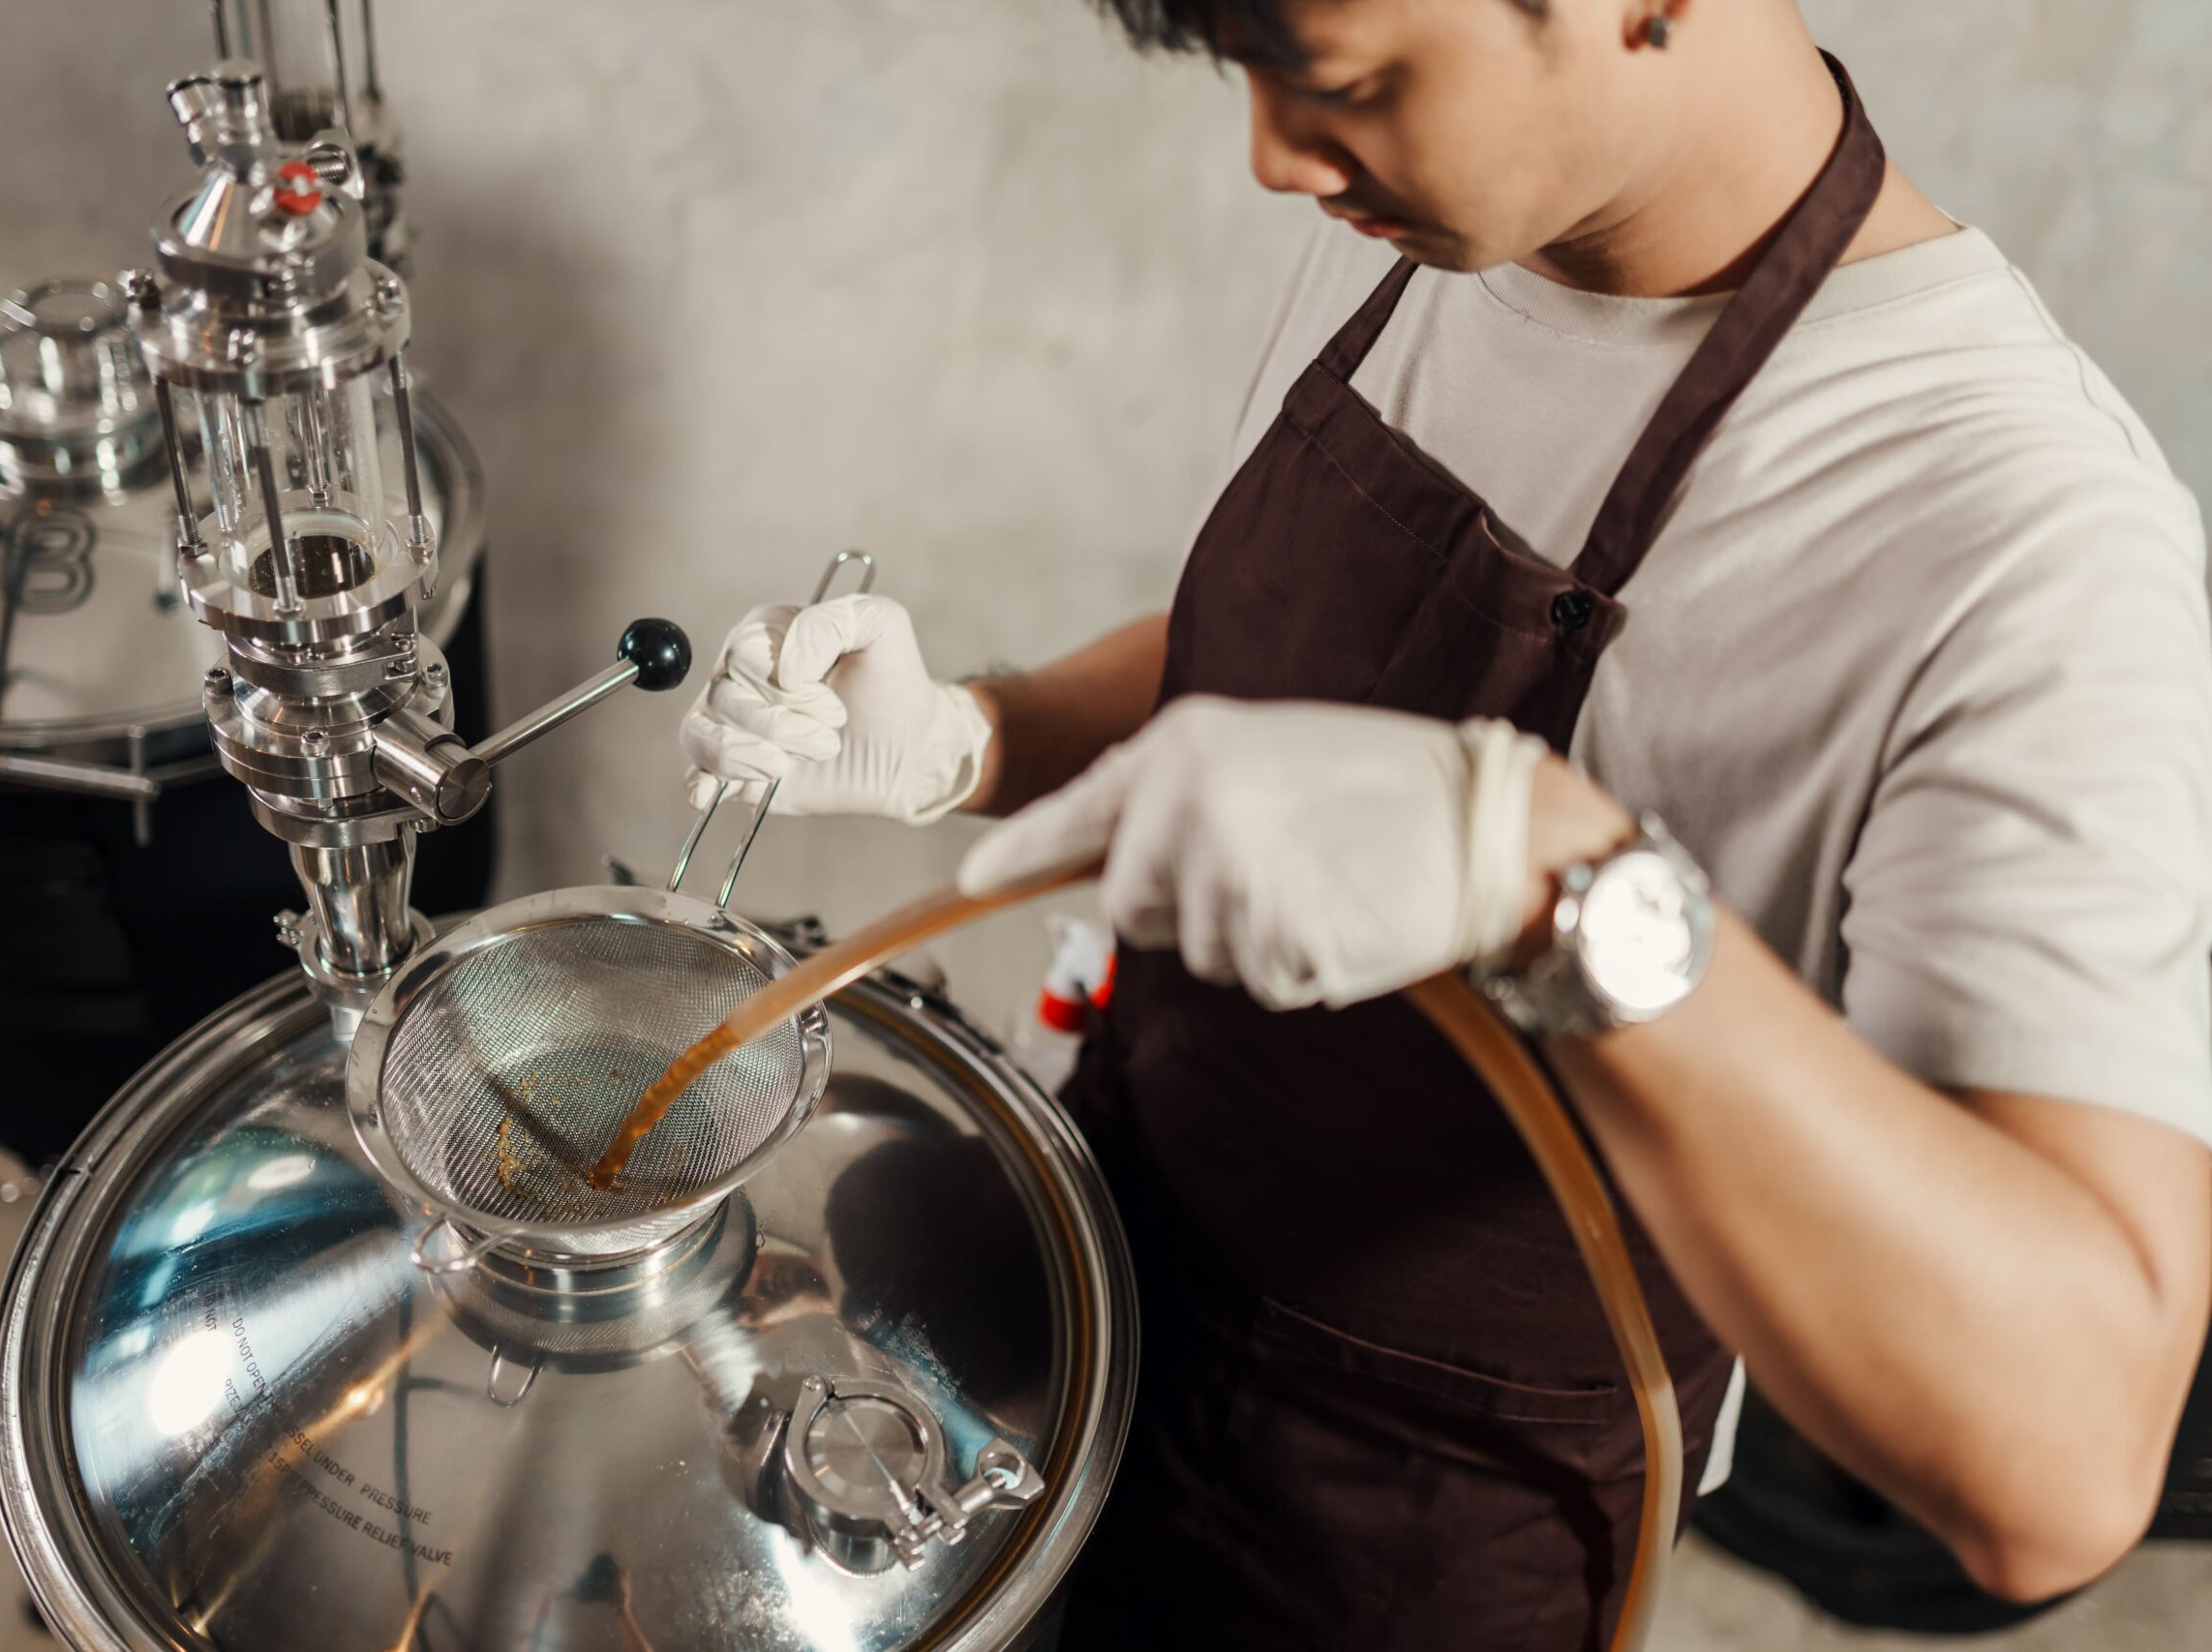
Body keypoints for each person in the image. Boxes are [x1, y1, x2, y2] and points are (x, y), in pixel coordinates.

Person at [680, 1, 2212, 1645]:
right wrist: (979, 734)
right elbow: (1308, 666)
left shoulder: (2027, 552)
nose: (1273, 157)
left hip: (1410, 1529)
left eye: (1337, 84)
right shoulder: (1434, 228)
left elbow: (2065, 1467)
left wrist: (1556, 884)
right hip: (1118, 1269)